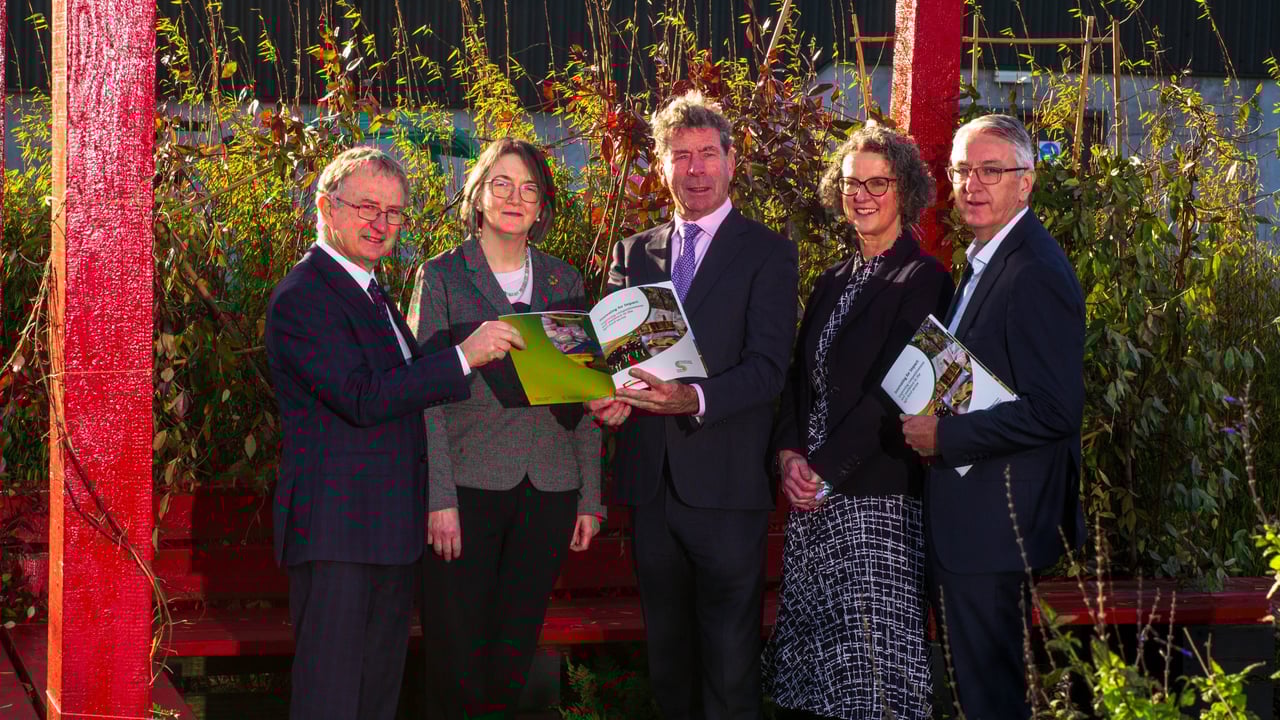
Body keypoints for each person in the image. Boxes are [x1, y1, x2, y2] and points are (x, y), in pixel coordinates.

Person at [264, 147, 523, 720]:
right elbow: (363, 398)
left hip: (385, 535)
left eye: (394, 213)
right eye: (366, 208)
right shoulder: (304, 296)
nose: (381, 224)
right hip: (338, 536)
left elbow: (403, 390)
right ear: (327, 208)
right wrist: (460, 356)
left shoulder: (370, 291)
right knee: (330, 702)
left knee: (374, 701)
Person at [587, 91, 799, 719]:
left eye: (709, 154)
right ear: (662, 166)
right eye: (681, 156)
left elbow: (767, 370)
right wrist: (610, 395)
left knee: (731, 668)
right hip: (651, 487)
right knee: (669, 661)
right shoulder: (633, 252)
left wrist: (693, 398)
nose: (696, 169)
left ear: (732, 162)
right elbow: (616, 355)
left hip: (728, 488)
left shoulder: (767, 251)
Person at [408, 138, 604, 719]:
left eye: (529, 189)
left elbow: (583, 395)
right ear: (478, 194)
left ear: (543, 206)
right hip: (467, 489)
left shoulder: (564, 281)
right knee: (456, 657)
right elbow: (427, 400)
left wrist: (590, 496)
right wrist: (438, 498)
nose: (515, 198)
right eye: (502, 184)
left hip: (548, 488)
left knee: (515, 657)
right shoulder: (441, 276)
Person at [762, 125, 954, 719]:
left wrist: (822, 470)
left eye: (878, 183)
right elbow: (797, 378)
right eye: (852, 184)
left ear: (906, 190)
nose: (863, 195)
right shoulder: (831, 281)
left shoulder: (926, 279)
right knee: (819, 678)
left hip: (877, 501)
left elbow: (896, 394)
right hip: (811, 502)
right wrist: (789, 456)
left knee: (874, 680)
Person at [900, 114, 1086, 719]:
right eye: (962, 170)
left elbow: (1056, 410)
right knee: (973, 692)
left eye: (991, 171)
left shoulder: (1034, 271)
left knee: (990, 699)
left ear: (1026, 182)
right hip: (969, 521)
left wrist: (945, 434)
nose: (972, 184)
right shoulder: (986, 258)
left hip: (994, 529)